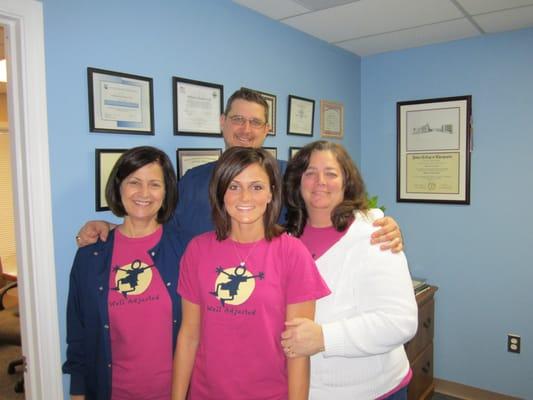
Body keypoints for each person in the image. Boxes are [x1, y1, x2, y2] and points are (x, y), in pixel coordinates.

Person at [75, 88, 403, 251]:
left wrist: (377, 223)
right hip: (206, 312)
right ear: (223, 123)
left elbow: (331, 213)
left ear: (267, 129)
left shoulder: (291, 177)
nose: (245, 129)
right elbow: (162, 233)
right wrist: (110, 227)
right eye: (237, 119)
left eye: (255, 122)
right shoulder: (193, 181)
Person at [172, 147, 330, 400]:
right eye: (234, 186)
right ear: (221, 192)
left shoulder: (292, 253)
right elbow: (189, 336)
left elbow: (297, 349)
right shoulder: (198, 250)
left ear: (271, 193)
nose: (245, 197)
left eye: (256, 187)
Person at [280, 141, 418, 400]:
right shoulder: (285, 238)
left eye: (331, 173)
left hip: (372, 391)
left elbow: (401, 322)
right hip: (304, 390)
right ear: (298, 182)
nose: (320, 181)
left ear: (346, 182)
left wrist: (324, 337)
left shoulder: (375, 235)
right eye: (310, 173)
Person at [63, 146, 186, 400]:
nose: (144, 193)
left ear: (166, 192)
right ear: (119, 187)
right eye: (134, 182)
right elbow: (79, 337)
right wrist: (77, 395)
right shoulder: (90, 256)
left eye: (154, 184)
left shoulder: (186, 250)